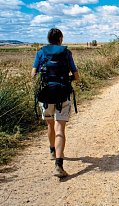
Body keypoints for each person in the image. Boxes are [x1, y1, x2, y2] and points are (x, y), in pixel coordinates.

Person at [31, 28, 80, 178]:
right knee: (60, 128)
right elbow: (77, 76)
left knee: (50, 124)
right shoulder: (66, 52)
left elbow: (33, 74)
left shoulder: (41, 52)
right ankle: (58, 165)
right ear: (60, 38)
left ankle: (52, 150)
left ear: (48, 39)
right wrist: (65, 80)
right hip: (63, 94)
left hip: (45, 96)